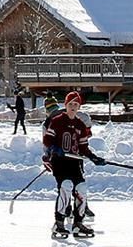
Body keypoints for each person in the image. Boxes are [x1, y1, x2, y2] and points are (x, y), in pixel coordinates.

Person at [42, 90, 105, 238]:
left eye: (76, 104)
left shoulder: (80, 125)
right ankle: (59, 223)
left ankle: (78, 223)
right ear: (66, 105)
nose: (73, 107)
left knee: (81, 188)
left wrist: (93, 157)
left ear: (79, 107)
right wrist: (53, 149)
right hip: (60, 162)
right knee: (66, 186)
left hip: (74, 162)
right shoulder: (57, 121)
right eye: (70, 104)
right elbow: (47, 140)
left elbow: (83, 147)